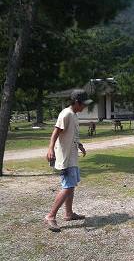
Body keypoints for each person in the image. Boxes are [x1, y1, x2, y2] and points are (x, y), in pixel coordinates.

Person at [45, 89, 93, 232]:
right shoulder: (66, 114)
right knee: (68, 187)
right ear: (77, 102)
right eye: (83, 104)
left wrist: (80, 145)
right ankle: (50, 216)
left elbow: (72, 134)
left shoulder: (74, 115)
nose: (84, 107)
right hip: (65, 158)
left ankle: (69, 214)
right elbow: (56, 132)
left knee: (71, 186)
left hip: (72, 157)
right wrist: (50, 148)